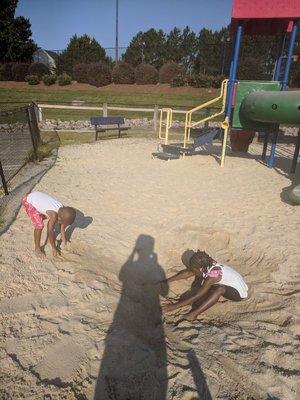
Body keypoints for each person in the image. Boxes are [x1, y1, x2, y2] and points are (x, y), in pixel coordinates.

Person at [162, 250, 248, 321]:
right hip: (232, 282)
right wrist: (166, 281)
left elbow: (196, 296)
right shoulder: (206, 264)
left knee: (219, 289)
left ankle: (193, 315)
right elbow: (189, 272)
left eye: (193, 269)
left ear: (200, 268)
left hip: (238, 293)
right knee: (208, 286)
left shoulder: (213, 276)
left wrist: (173, 307)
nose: (192, 270)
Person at [22, 191, 76, 258]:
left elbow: (62, 224)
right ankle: (37, 248)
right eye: (62, 222)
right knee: (39, 225)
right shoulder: (53, 216)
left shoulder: (62, 208)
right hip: (28, 202)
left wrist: (63, 237)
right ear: (59, 218)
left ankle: (48, 240)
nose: (64, 225)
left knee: (47, 218)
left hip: (34, 195)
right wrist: (54, 248)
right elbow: (50, 231)